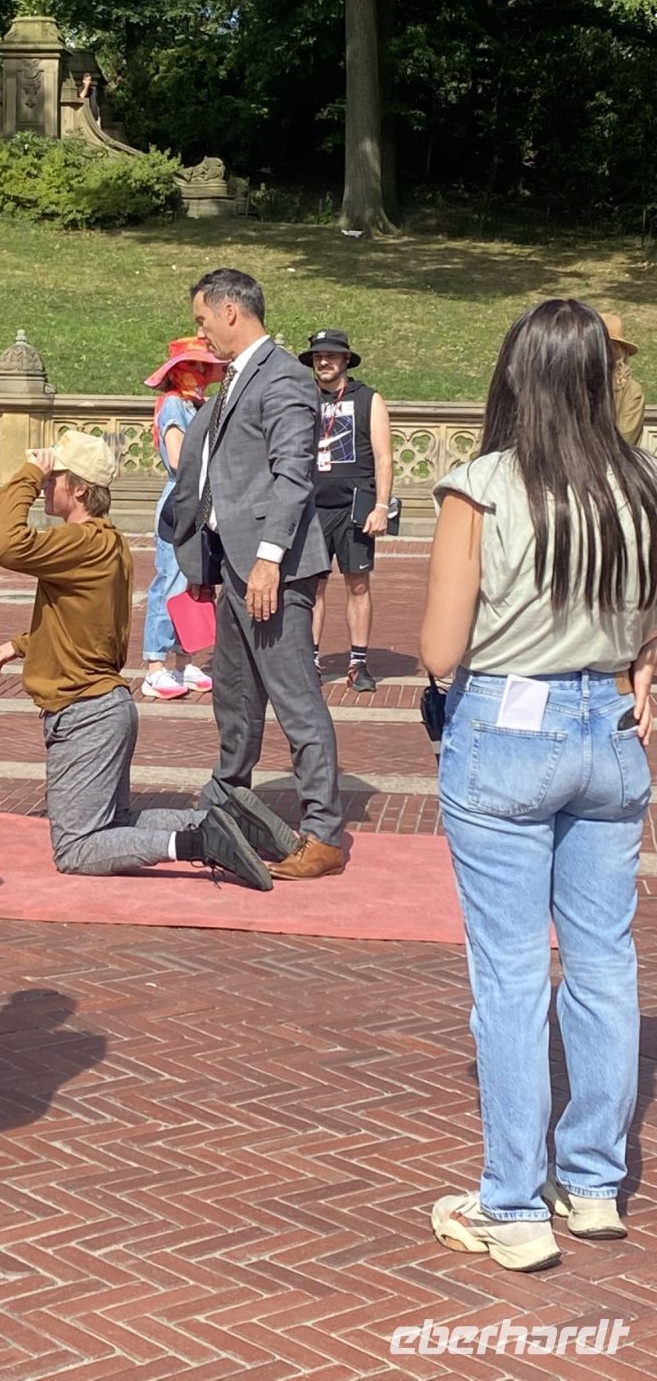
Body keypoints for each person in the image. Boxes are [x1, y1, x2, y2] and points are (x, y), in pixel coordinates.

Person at [421, 297, 657, 1273]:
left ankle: (512, 1201)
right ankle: (592, 1182)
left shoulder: (482, 486)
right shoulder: (640, 482)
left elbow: (441, 650)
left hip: (509, 725)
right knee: (603, 960)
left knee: (512, 974)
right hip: (610, 727)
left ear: (517, 374)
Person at [0, 431, 295, 886]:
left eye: (54, 478)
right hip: (103, 708)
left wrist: (29, 474)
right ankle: (228, 819)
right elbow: (87, 623)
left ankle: (202, 841)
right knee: (115, 822)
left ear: (79, 489)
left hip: (84, 713)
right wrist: (22, 644)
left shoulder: (82, 542)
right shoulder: (105, 541)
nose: (47, 484)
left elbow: (1, 543)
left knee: (77, 848)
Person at [163, 269, 344, 880]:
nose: (201, 333)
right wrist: (202, 558)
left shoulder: (284, 377)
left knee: (295, 699)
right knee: (235, 697)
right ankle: (228, 800)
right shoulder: (236, 379)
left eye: (202, 320)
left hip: (274, 571)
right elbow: (217, 474)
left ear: (231, 311)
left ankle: (323, 832)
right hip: (234, 565)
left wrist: (269, 560)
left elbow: (294, 476)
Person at [300, 328, 394, 693]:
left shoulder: (368, 399)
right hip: (311, 508)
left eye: (331, 355)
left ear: (345, 360)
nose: (324, 361)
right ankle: (311, 660)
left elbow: (384, 458)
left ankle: (358, 662)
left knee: (357, 584)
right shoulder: (302, 397)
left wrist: (382, 505)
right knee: (313, 587)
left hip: (356, 508)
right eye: (318, 356)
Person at [140, 335, 228, 700]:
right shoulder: (175, 404)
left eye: (205, 367)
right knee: (171, 578)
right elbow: (178, 459)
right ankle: (155, 665)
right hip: (182, 499)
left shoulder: (197, 405)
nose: (204, 373)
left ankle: (184, 659)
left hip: (201, 498)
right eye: (197, 366)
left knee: (196, 578)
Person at [600, 309, 646, 446]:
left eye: (608, 346)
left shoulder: (630, 391)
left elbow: (626, 440)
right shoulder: (572, 382)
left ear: (618, 351)